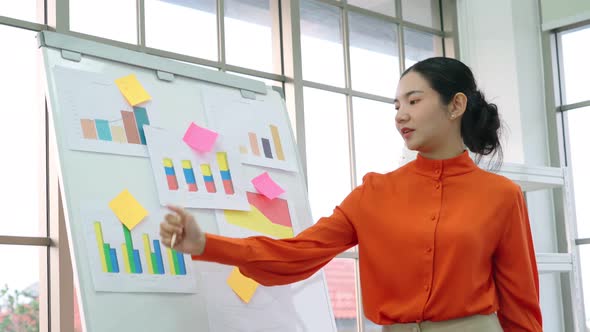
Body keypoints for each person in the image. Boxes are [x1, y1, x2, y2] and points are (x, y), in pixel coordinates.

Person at [160, 57, 543, 331]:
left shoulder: (501, 195)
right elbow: (297, 253)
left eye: (414, 101)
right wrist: (205, 244)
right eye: (396, 105)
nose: (400, 115)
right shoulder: (374, 192)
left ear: (455, 105)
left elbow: (520, 304)